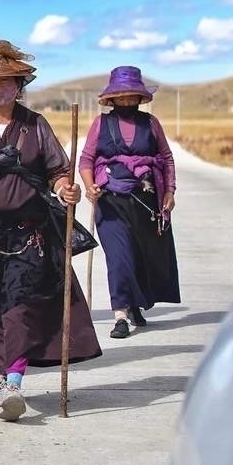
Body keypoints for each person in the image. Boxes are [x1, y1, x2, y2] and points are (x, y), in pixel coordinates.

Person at [0, 40, 102, 422]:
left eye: (4, 83)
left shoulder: (35, 125)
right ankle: (0, 365)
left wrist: (65, 188)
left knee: (20, 306)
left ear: (18, 85)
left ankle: (13, 382)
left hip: (30, 234)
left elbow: (58, 169)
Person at [78, 66, 180, 339]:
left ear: (139, 97)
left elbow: (167, 158)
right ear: (112, 98)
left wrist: (169, 191)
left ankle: (136, 305)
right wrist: (90, 187)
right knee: (119, 257)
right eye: (121, 95)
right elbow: (86, 160)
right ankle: (120, 315)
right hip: (110, 200)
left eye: (132, 95)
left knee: (140, 255)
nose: (127, 100)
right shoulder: (101, 124)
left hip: (146, 201)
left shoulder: (151, 123)